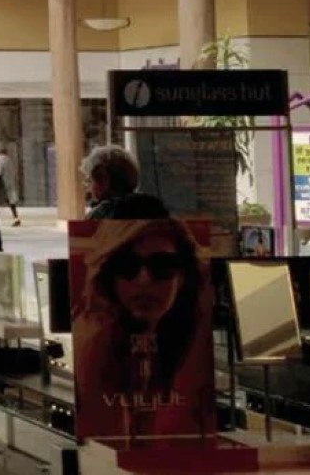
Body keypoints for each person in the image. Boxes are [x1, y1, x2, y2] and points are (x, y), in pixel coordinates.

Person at [72, 217, 214, 442]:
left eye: (162, 266)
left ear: (182, 277)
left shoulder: (180, 332)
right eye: (127, 266)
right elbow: (110, 449)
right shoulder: (98, 339)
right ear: (109, 276)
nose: (144, 280)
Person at [83, 144, 142, 220]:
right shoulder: (151, 207)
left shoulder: (100, 215)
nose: (88, 188)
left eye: (90, 180)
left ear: (104, 180)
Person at [0, 146, 20, 226]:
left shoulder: (0, 160)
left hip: (2, 185)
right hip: (10, 183)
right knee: (11, 202)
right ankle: (16, 218)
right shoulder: (9, 160)